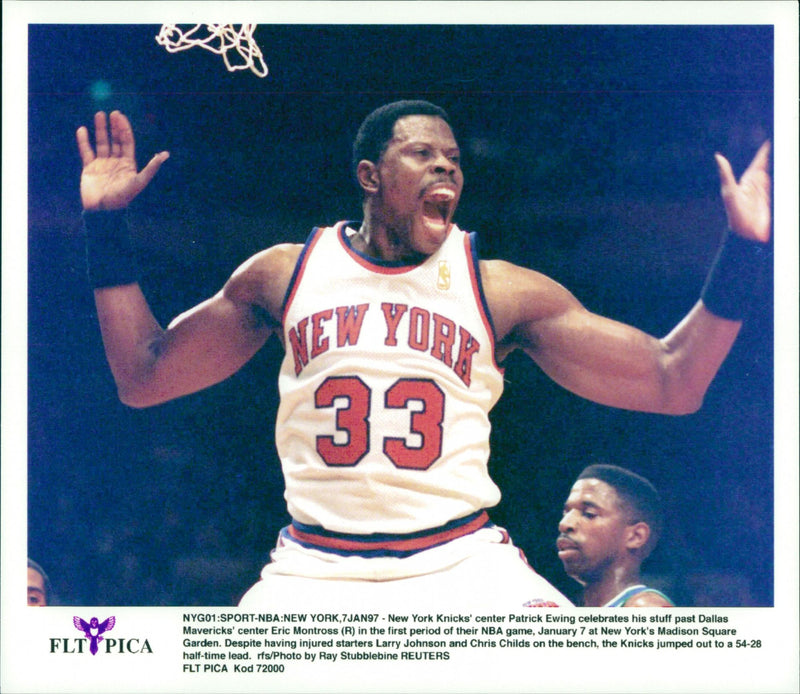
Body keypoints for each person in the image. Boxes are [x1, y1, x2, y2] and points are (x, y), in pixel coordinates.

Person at [74, 100, 770, 610]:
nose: (446, 165)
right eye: (423, 154)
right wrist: (104, 226)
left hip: (461, 563)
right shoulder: (284, 273)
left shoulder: (498, 289)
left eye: (455, 159)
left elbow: (673, 379)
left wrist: (744, 251)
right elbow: (143, 375)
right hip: (315, 573)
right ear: (371, 175)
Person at [557, 464, 674, 607]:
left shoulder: (646, 609)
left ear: (635, 536)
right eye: (566, 512)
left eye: (589, 514)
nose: (564, 523)